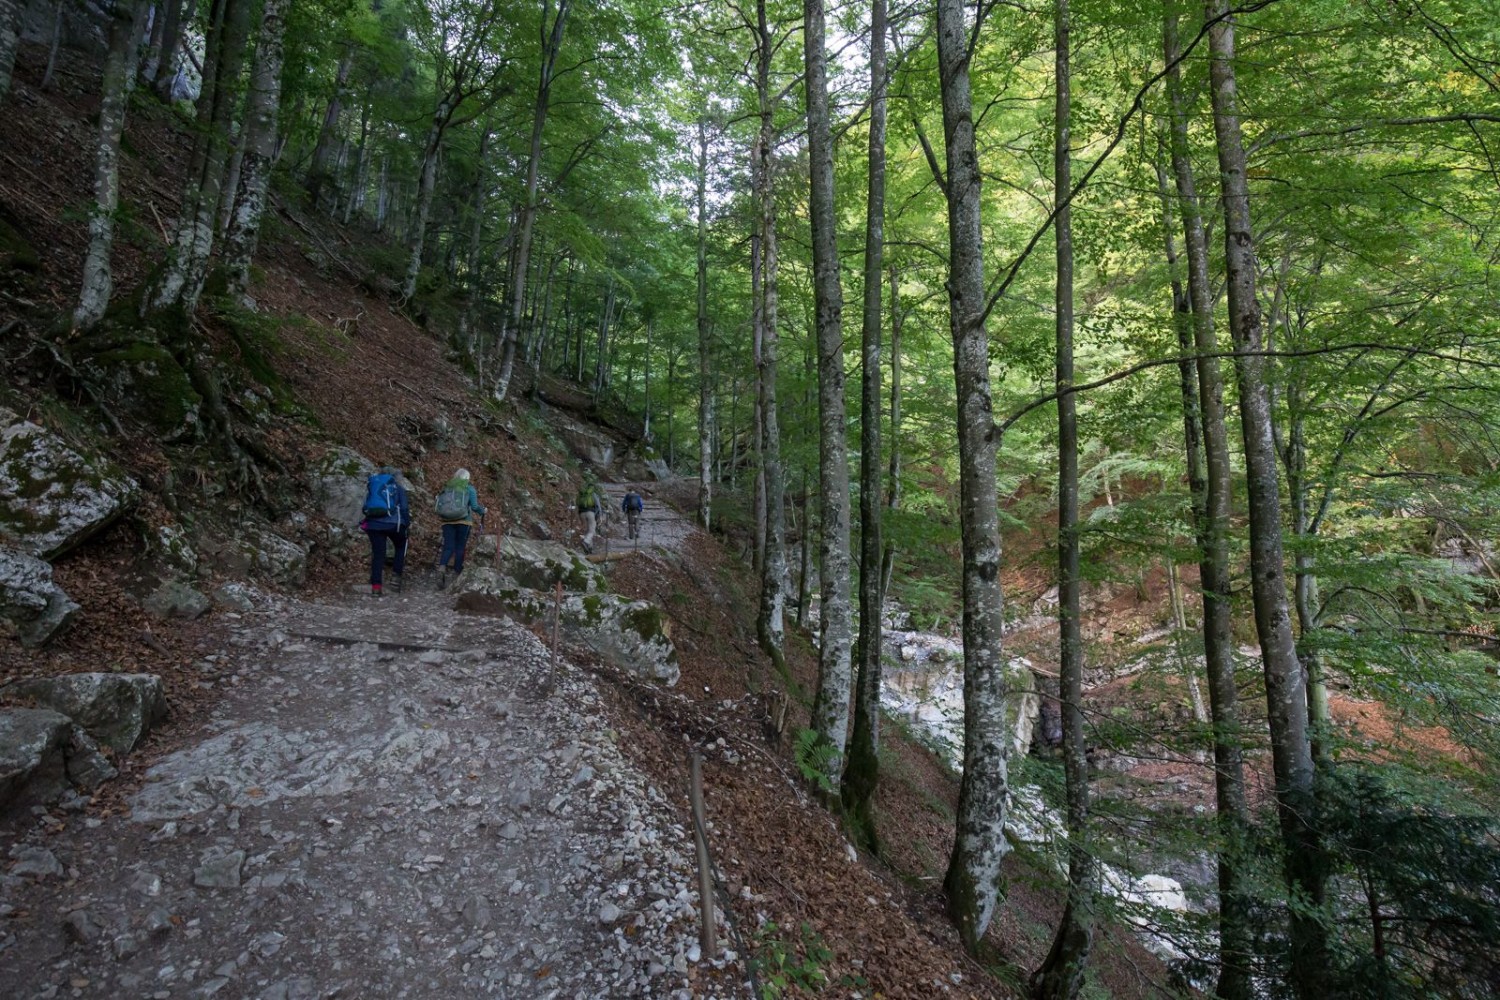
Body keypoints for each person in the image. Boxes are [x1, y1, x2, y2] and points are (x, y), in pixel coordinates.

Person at [361, 465, 410, 597]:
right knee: (401, 545)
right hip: (394, 525)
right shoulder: (398, 488)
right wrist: (407, 524)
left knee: (378, 554)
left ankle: (376, 587)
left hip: (373, 524)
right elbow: (404, 508)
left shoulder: (374, 485)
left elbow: (365, 505)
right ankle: (395, 579)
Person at [435, 468, 487, 590]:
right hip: (464, 521)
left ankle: (442, 567)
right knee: (460, 547)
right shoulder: (469, 488)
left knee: (448, 546)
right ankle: (456, 574)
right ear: (467, 478)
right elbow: (474, 506)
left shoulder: (447, 487)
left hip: (447, 521)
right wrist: (483, 511)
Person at [575, 477, 603, 553]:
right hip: (590, 513)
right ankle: (586, 542)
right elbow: (598, 506)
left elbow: (577, 504)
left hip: (581, 514)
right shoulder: (593, 495)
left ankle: (589, 549)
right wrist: (600, 516)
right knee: (592, 531)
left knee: (587, 530)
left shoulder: (582, 495)